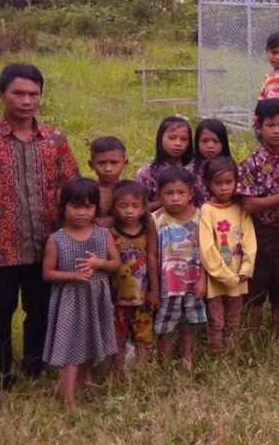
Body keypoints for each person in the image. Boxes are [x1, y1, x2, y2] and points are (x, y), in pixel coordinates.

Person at [0, 63, 80, 405]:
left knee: (41, 310)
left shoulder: (54, 140)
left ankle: (36, 368)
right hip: (0, 247)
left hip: (48, 246)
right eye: (19, 93)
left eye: (33, 94)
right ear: (1, 95)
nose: (27, 100)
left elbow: (69, 186)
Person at [42, 178, 119, 407]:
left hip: (96, 297)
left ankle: (83, 386)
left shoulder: (102, 234)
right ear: (63, 207)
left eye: (88, 207)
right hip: (69, 300)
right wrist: (73, 276)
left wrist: (99, 263)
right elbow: (47, 273)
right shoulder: (56, 239)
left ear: (96, 209)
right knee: (70, 349)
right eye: (75, 206)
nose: (82, 213)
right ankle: (68, 399)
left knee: (90, 345)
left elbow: (116, 264)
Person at [238, 99, 279, 341]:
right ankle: (252, 338)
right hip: (259, 234)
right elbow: (249, 204)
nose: (276, 130)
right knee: (255, 291)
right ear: (258, 127)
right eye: (270, 125)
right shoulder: (250, 163)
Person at [198, 156, 256, 352]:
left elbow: (249, 238)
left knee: (235, 319)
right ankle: (216, 355)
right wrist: (224, 275)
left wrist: (246, 268)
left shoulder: (240, 207)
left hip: (239, 276)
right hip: (217, 279)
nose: (224, 188)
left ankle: (233, 353)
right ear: (208, 184)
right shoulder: (207, 210)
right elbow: (206, 246)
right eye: (218, 183)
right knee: (216, 321)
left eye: (228, 182)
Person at [153, 167, 206, 367]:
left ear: (191, 193)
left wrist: (203, 279)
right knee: (165, 327)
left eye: (181, 193)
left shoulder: (201, 217)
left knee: (189, 325)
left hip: (193, 284)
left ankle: (187, 361)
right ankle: (163, 364)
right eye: (169, 193)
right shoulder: (156, 219)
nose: (175, 198)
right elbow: (151, 254)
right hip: (168, 286)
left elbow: (207, 253)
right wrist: (155, 288)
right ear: (160, 194)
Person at [107, 180, 158, 374]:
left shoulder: (147, 226)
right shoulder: (109, 231)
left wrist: (154, 290)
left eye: (135, 206)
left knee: (144, 338)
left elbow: (152, 256)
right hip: (117, 298)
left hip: (142, 297)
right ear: (113, 207)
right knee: (117, 338)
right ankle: (116, 376)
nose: (129, 211)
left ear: (144, 207)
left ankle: (143, 375)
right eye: (123, 206)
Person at [134, 116, 196, 209]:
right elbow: (135, 207)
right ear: (160, 138)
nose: (178, 143)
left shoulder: (195, 170)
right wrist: (161, 203)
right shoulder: (147, 174)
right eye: (172, 138)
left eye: (184, 139)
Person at [88, 136, 129, 223]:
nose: (108, 169)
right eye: (101, 163)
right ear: (91, 165)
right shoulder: (87, 192)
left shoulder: (131, 191)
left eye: (114, 163)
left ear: (125, 163)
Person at [192, 118, 233, 203]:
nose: (210, 145)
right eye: (204, 141)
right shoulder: (190, 171)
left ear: (223, 143)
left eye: (215, 141)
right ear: (197, 143)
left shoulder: (231, 169)